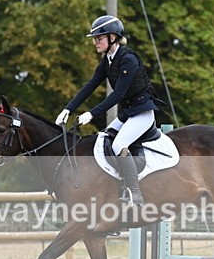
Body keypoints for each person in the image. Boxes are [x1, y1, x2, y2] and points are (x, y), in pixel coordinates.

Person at [55, 15, 159, 206]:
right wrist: (68, 109)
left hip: (142, 113)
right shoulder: (108, 60)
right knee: (103, 139)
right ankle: (116, 186)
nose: (95, 42)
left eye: (99, 38)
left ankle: (136, 194)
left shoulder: (128, 59)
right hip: (128, 113)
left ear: (113, 37)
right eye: (94, 39)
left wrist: (92, 113)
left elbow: (118, 94)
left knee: (118, 145)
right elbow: (91, 84)